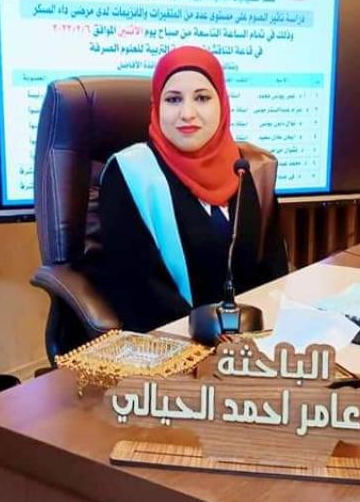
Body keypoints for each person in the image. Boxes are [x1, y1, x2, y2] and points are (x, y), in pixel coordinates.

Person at [88, 46, 288, 332]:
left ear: (223, 103)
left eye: (202, 98)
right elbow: (137, 289)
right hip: (172, 341)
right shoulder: (129, 173)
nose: (187, 113)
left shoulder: (250, 169)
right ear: (157, 107)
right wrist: (203, 337)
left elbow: (273, 271)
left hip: (253, 340)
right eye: (173, 99)